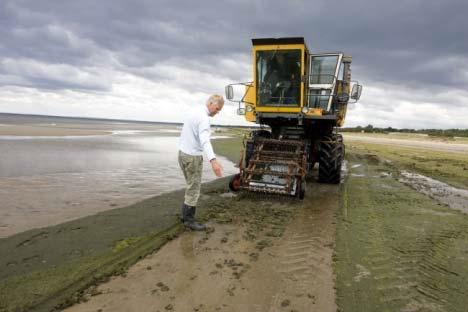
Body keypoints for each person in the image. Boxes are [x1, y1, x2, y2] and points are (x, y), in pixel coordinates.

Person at [178, 94, 224, 231]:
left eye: (219, 110)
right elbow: (205, 140)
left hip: (182, 154)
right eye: (217, 108)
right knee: (194, 188)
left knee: (190, 185)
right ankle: (188, 220)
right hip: (193, 157)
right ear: (210, 103)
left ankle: (185, 215)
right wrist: (213, 161)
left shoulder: (194, 111)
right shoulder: (204, 119)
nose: (217, 112)